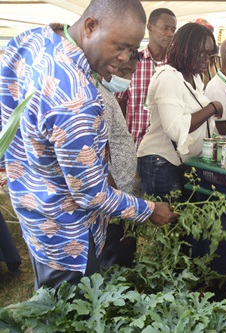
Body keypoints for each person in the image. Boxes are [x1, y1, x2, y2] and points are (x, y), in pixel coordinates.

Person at [0, 0, 177, 290]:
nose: (124, 58)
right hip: (67, 238)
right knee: (65, 315)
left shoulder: (33, 39)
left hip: (32, 209)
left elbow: (6, 110)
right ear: (91, 25)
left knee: (47, 300)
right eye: (118, 46)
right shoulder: (77, 98)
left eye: (131, 50)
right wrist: (151, 209)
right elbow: (91, 195)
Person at [137, 23, 222, 199]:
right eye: (201, 54)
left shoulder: (195, 78)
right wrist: (212, 108)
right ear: (185, 49)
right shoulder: (168, 77)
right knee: (166, 220)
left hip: (177, 162)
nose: (206, 60)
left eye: (210, 55)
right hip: (161, 162)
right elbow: (176, 129)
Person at [97, 55, 141, 269]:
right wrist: (115, 196)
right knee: (112, 248)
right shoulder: (101, 97)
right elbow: (98, 155)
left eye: (131, 73)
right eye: (123, 72)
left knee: (120, 242)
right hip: (111, 195)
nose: (127, 78)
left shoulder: (108, 93)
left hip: (118, 193)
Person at [117, 8, 177, 150]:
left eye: (173, 30)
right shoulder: (131, 64)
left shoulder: (176, 67)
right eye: (166, 28)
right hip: (135, 147)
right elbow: (120, 105)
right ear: (150, 27)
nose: (170, 34)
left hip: (166, 152)